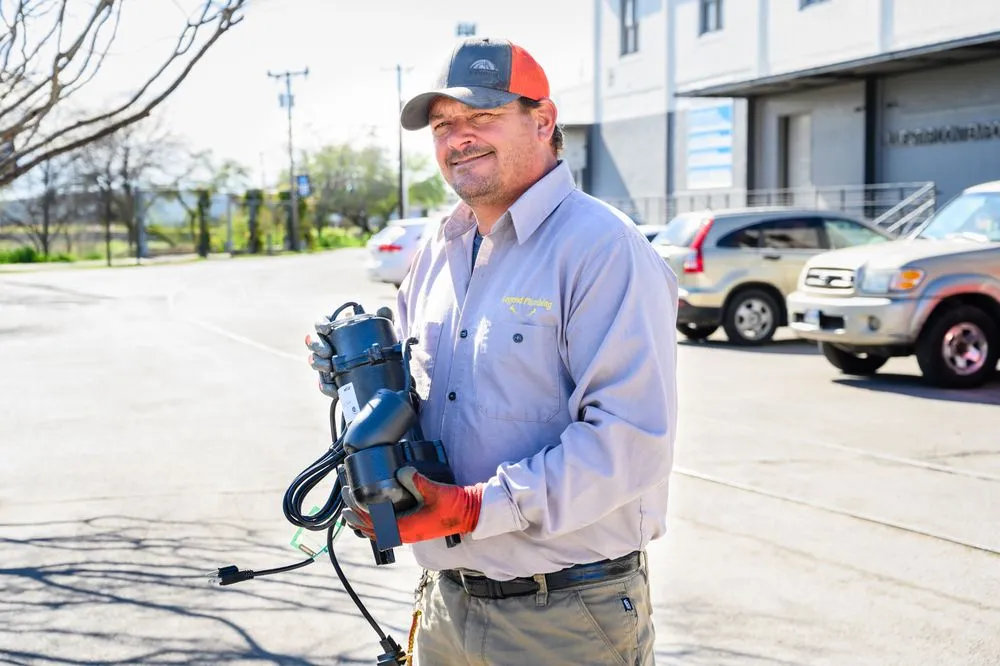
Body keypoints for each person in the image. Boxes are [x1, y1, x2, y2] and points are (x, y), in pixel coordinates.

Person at [307, 37, 678, 666]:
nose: (458, 138)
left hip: (564, 615)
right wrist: (346, 373)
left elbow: (631, 441)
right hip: (447, 602)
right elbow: (410, 396)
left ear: (543, 120)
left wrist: (478, 507)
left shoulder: (600, 248)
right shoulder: (439, 249)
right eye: (443, 124)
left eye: (481, 117)